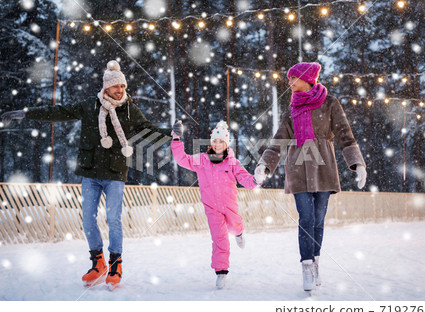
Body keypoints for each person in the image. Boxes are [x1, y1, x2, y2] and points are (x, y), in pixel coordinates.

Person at [1, 60, 171, 288]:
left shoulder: (130, 109)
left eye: (122, 86)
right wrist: (25, 113)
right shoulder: (90, 105)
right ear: (106, 87)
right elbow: (58, 112)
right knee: (88, 219)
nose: (120, 90)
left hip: (114, 173)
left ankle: (115, 265)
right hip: (90, 172)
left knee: (113, 219)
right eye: (115, 86)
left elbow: (149, 130)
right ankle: (97, 263)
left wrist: (172, 133)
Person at [254, 62, 367, 291]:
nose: (289, 82)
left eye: (292, 78)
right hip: (298, 168)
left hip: (324, 168)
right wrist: (264, 165)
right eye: (288, 79)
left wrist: (357, 163)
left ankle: (315, 261)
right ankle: (306, 266)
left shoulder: (330, 103)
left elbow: (345, 135)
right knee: (306, 219)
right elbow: (279, 141)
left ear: (307, 78)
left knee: (317, 220)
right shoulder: (291, 109)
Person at [171, 120, 260, 289]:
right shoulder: (202, 160)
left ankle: (239, 233)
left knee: (234, 227)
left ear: (226, 143)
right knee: (219, 238)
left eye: (221, 141)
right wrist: (176, 139)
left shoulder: (232, 162)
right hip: (212, 208)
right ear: (211, 143)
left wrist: (256, 180)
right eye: (215, 141)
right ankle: (221, 271)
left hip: (229, 206)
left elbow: (245, 179)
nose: (217, 144)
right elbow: (182, 159)